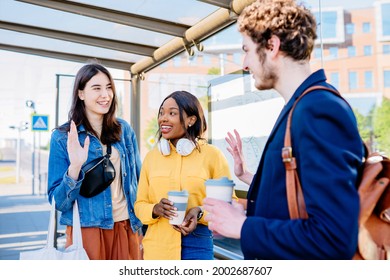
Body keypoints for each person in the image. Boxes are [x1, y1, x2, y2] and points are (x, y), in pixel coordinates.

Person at [203, 0, 365, 259]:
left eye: (247, 50)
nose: (245, 64)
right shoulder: (301, 107)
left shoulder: (318, 109)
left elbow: (334, 237)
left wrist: (244, 227)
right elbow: (293, 201)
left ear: (272, 45)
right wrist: (242, 211)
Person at [47, 63, 143, 260]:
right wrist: (75, 167)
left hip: (127, 225)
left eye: (109, 88)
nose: (105, 95)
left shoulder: (124, 130)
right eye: (97, 88)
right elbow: (58, 202)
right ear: (81, 93)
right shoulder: (62, 137)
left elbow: (138, 180)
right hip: (87, 230)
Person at [134, 90, 235, 260]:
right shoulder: (152, 157)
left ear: (191, 120)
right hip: (157, 248)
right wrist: (155, 209)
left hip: (198, 244)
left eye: (172, 113)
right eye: (161, 113)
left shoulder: (212, 155)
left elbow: (228, 204)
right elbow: (139, 205)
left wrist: (199, 212)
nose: (163, 118)